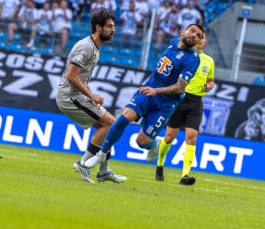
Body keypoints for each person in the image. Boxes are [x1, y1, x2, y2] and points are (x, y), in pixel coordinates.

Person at [84, 24, 204, 171]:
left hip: (166, 103)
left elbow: (180, 87)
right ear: (184, 31)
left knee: (141, 141)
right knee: (123, 118)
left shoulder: (193, 59)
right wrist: (153, 88)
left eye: (198, 35)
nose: (194, 35)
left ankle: (153, 145)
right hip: (148, 91)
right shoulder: (173, 42)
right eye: (192, 31)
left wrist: (157, 90)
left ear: (198, 42)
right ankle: (101, 154)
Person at [56, 9, 126, 184]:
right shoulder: (86, 47)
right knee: (110, 123)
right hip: (69, 97)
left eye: (113, 26)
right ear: (98, 27)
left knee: (110, 125)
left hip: (76, 95)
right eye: (109, 26)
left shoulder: (94, 48)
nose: (113, 30)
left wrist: (90, 94)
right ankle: (84, 164)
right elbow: (71, 76)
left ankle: (103, 171)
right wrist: (91, 95)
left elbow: (79, 76)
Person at [155, 33, 214, 185]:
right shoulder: (186, 56)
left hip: (196, 102)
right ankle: (160, 165)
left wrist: (209, 86)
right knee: (169, 136)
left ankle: (185, 175)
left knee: (192, 137)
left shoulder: (209, 61)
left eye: (203, 37)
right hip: (180, 98)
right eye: (198, 37)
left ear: (205, 41)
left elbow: (211, 80)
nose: (200, 40)